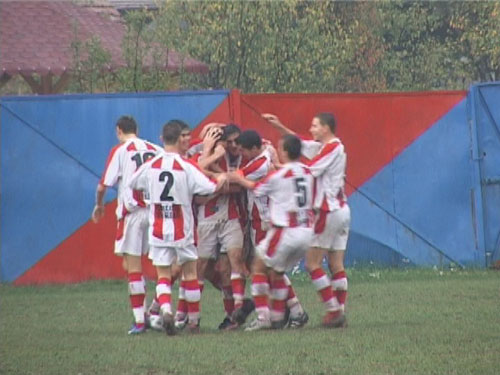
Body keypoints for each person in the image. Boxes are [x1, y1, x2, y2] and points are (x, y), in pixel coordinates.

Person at [129, 119, 227, 335]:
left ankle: (165, 309)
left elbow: (133, 183)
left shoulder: (151, 165)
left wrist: (150, 195)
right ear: (179, 140)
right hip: (183, 227)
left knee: (163, 276)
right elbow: (209, 187)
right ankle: (193, 322)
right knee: (190, 273)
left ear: (163, 139)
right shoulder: (187, 166)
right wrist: (220, 178)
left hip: (158, 228)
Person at [263, 112, 349, 328]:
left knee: (312, 264)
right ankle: (339, 311)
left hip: (328, 210)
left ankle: (333, 310)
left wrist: (278, 167)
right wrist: (280, 126)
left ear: (326, 128)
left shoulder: (332, 147)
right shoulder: (327, 147)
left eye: (315, 126)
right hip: (341, 209)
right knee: (336, 264)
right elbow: (302, 145)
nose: (311, 130)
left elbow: (308, 169)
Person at [229, 134, 313, 331]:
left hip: (283, 229)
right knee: (276, 272)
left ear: (284, 151)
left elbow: (256, 188)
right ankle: (292, 313)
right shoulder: (308, 171)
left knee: (258, 268)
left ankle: (265, 317)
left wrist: (239, 178)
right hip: (307, 230)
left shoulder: (275, 174)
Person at [91, 115, 162, 335]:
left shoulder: (120, 151)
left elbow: (104, 186)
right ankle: (158, 309)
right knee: (164, 265)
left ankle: (140, 321)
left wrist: (99, 205)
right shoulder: (156, 149)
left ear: (118, 130)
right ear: (137, 129)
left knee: (132, 267)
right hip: (154, 212)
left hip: (131, 214)